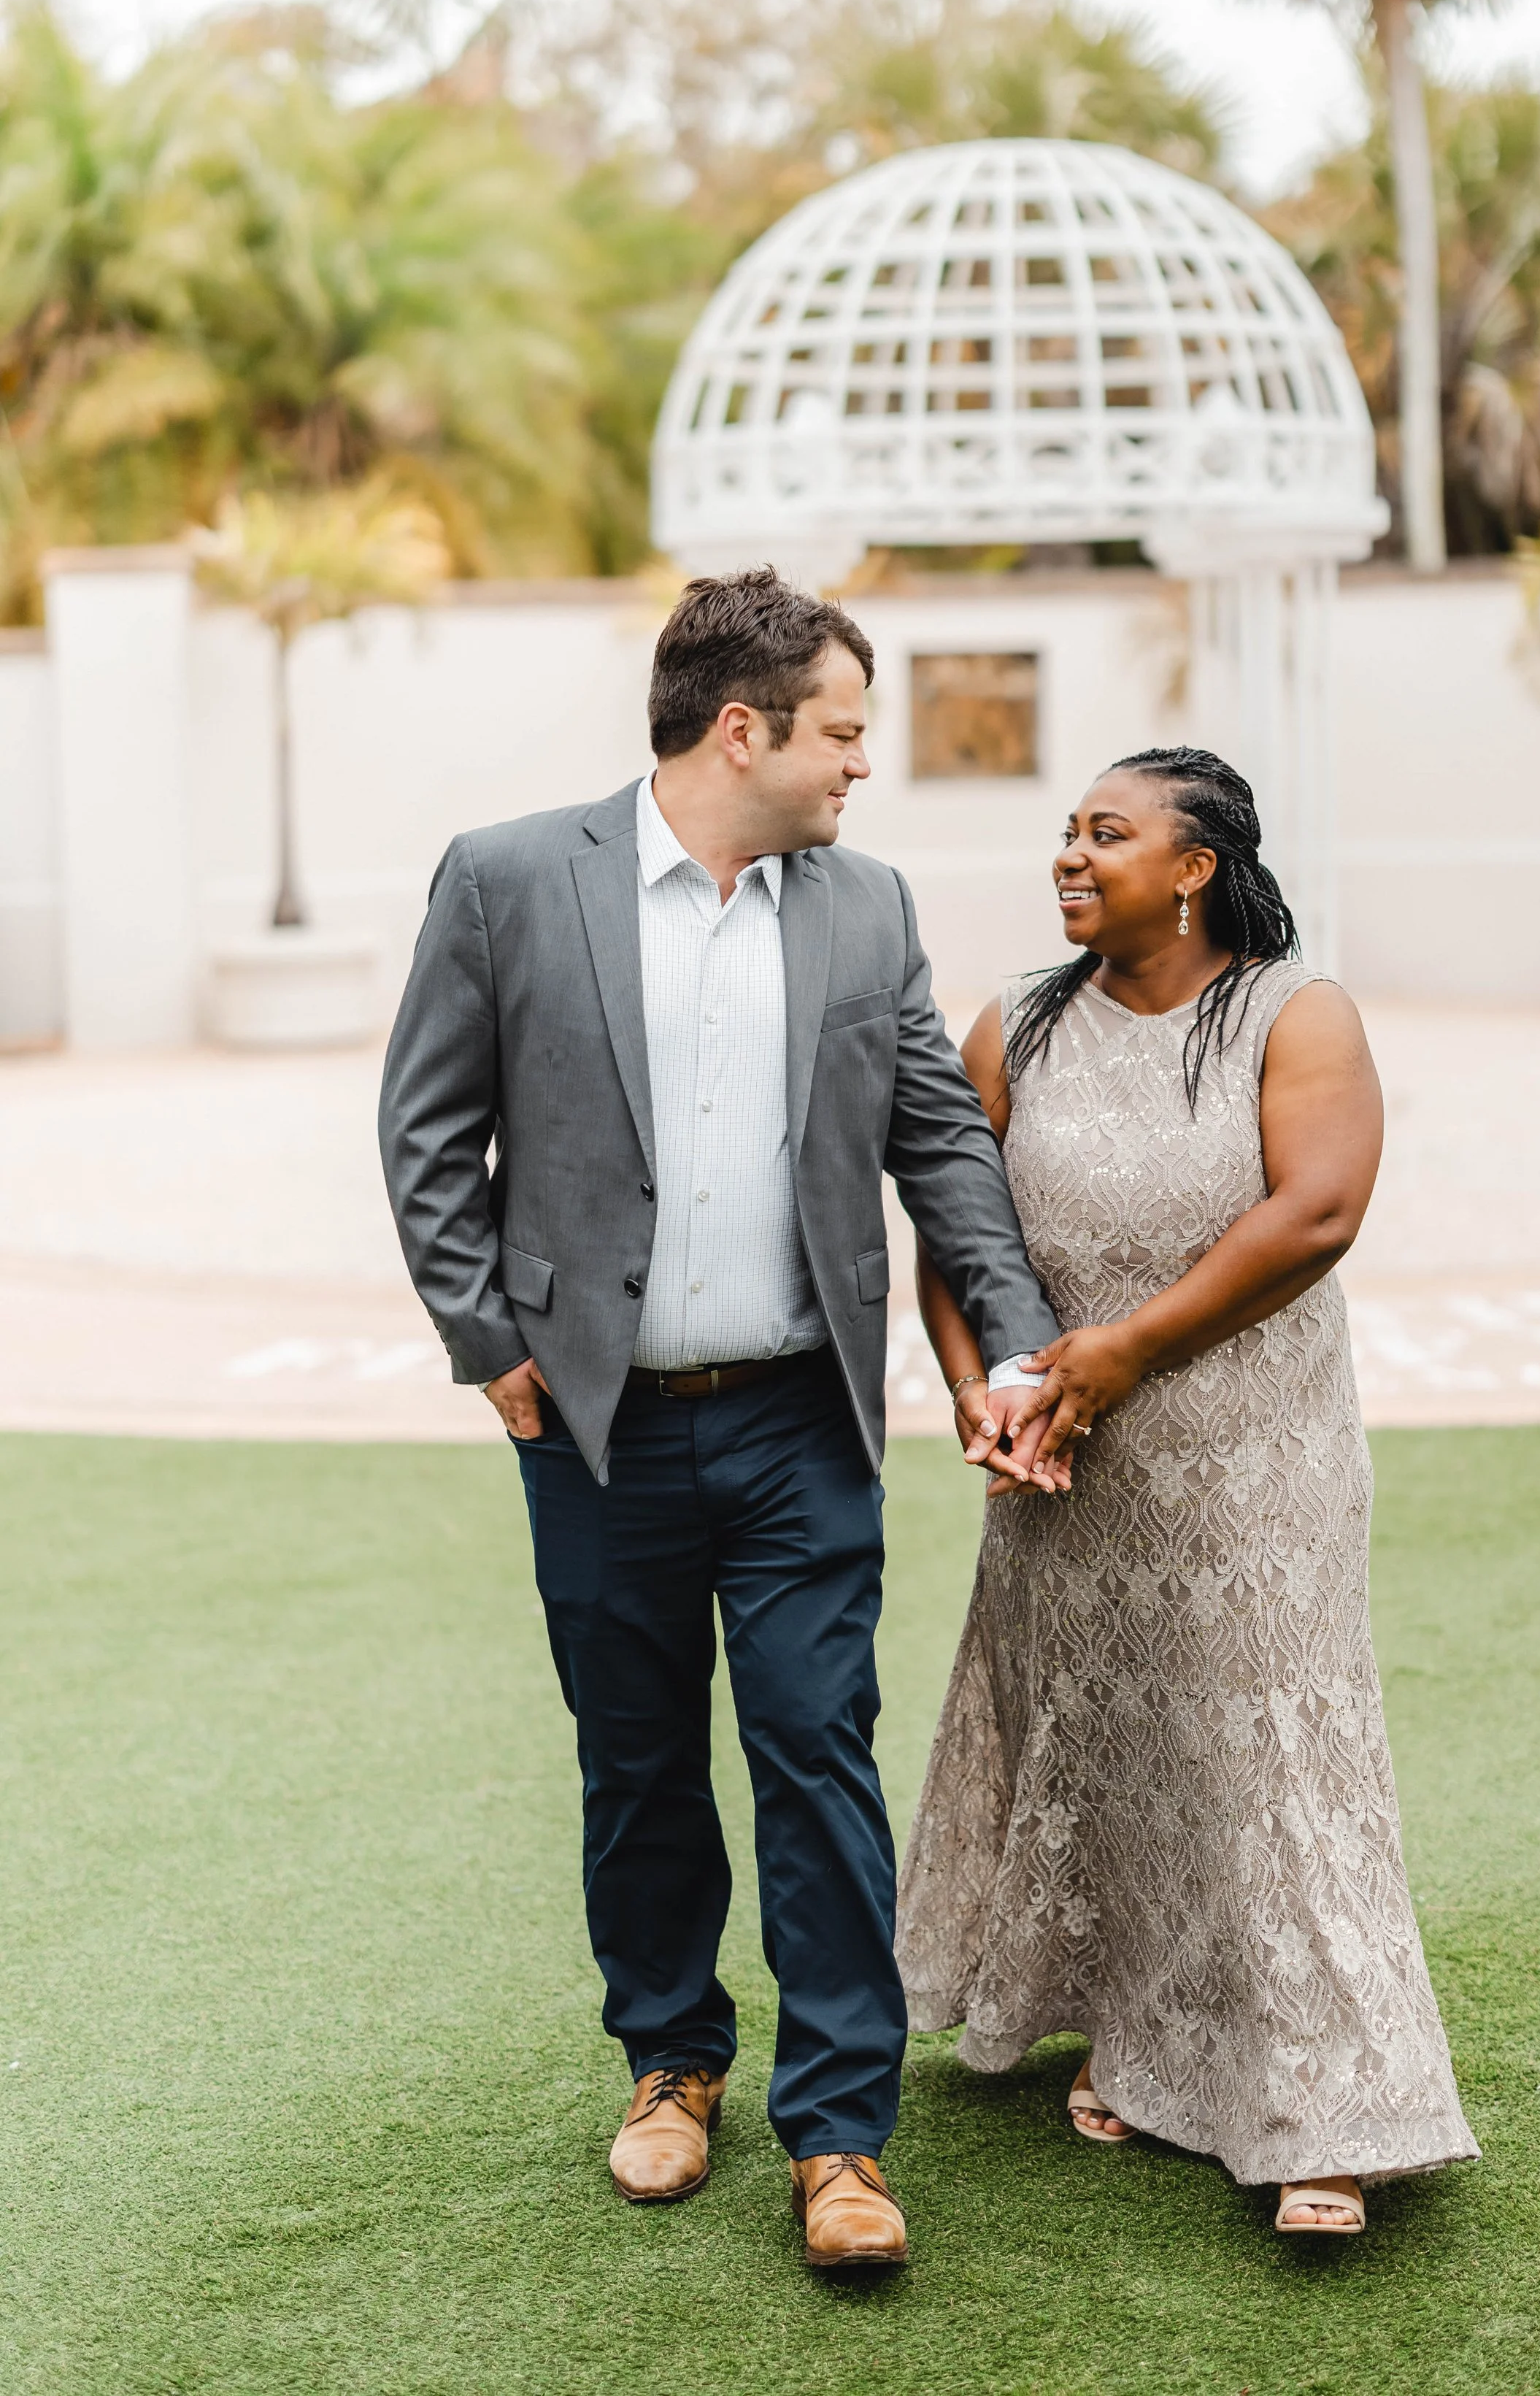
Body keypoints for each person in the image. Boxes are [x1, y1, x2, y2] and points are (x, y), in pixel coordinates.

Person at [378, 568, 1061, 2270]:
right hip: (594, 1428)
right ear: (740, 728)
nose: (856, 766)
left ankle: (839, 2137)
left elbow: (941, 1147)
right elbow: (426, 1134)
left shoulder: (864, 904)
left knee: (817, 1757)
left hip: (797, 1422)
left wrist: (1023, 1344)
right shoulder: (510, 878)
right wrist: (488, 1341)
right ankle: (670, 2062)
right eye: (838, 731)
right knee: (635, 1761)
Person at [897, 745, 1479, 2235]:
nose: (1069, 857)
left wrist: (1120, 1355)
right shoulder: (1014, 1025)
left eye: (1106, 834)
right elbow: (961, 1239)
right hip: (1066, 1474)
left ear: (1196, 865)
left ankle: (1321, 2121)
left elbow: (1317, 1210)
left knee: (1269, 1762)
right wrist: (988, 1394)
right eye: (1064, 834)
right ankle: (1142, 2047)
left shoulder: (1293, 1014)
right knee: (1105, 1749)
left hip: (1248, 1464)